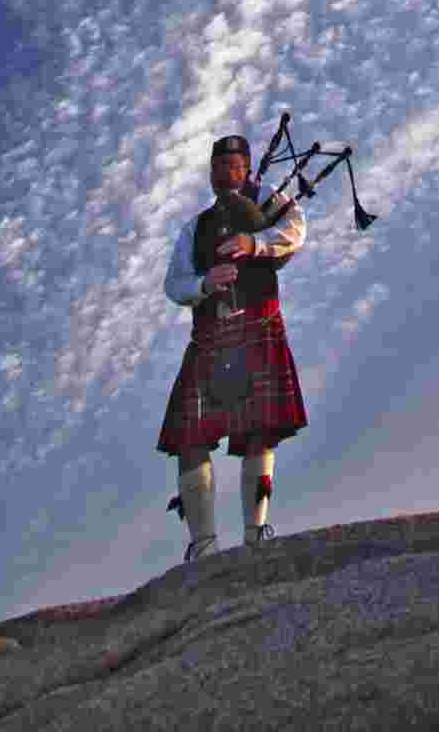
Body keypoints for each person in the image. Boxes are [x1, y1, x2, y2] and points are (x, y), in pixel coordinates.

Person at [157, 134, 308, 560]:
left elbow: (295, 232)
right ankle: (203, 546)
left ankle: (255, 534)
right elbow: (174, 283)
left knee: (259, 430)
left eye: (233, 165)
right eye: (217, 167)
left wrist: (253, 244)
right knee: (190, 437)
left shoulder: (271, 201)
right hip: (211, 336)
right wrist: (205, 283)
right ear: (210, 173)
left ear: (246, 168)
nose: (225, 173)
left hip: (258, 326)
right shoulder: (196, 226)